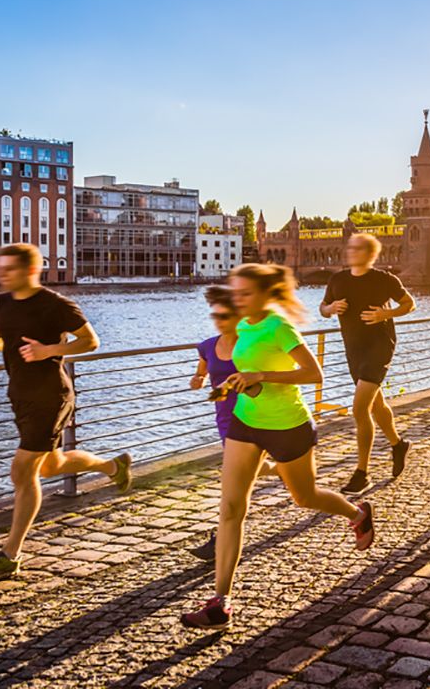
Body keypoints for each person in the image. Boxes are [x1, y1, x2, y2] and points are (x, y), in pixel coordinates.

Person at [181, 264, 374, 630]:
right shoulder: (241, 327)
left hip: (288, 425)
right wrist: (227, 386)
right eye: (235, 293)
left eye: (246, 294)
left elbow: (313, 374)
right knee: (231, 509)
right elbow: (238, 368)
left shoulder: (278, 326)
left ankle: (357, 513)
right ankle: (221, 601)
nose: (238, 299)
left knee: (304, 497)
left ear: (266, 295)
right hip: (246, 422)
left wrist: (262, 376)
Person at [0, 244, 132, 578]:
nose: (2, 274)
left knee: (22, 471)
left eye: (9, 269)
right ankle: (113, 466)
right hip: (20, 394)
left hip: (50, 396)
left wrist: (49, 351)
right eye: (0, 268)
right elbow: (3, 333)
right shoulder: (3, 302)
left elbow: (90, 341)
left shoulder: (55, 304)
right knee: (50, 466)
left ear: (31, 270)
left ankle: (9, 555)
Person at [320, 233, 416, 493]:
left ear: (370, 254)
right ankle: (398, 445)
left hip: (380, 346)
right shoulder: (337, 279)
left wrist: (388, 313)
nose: (352, 251)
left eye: (358, 248)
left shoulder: (384, 280)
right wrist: (331, 309)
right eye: (350, 247)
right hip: (354, 349)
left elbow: (409, 304)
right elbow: (322, 307)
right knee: (376, 403)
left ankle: (362, 473)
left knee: (360, 410)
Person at [187, 285, 277, 561]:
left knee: (232, 480)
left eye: (225, 314)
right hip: (226, 420)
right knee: (243, 477)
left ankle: (220, 540)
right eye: (216, 315)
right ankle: (284, 471)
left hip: (254, 415)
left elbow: (271, 373)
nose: (219, 319)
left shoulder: (250, 346)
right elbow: (203, 368)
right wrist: (198, 379)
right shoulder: (207, 346)